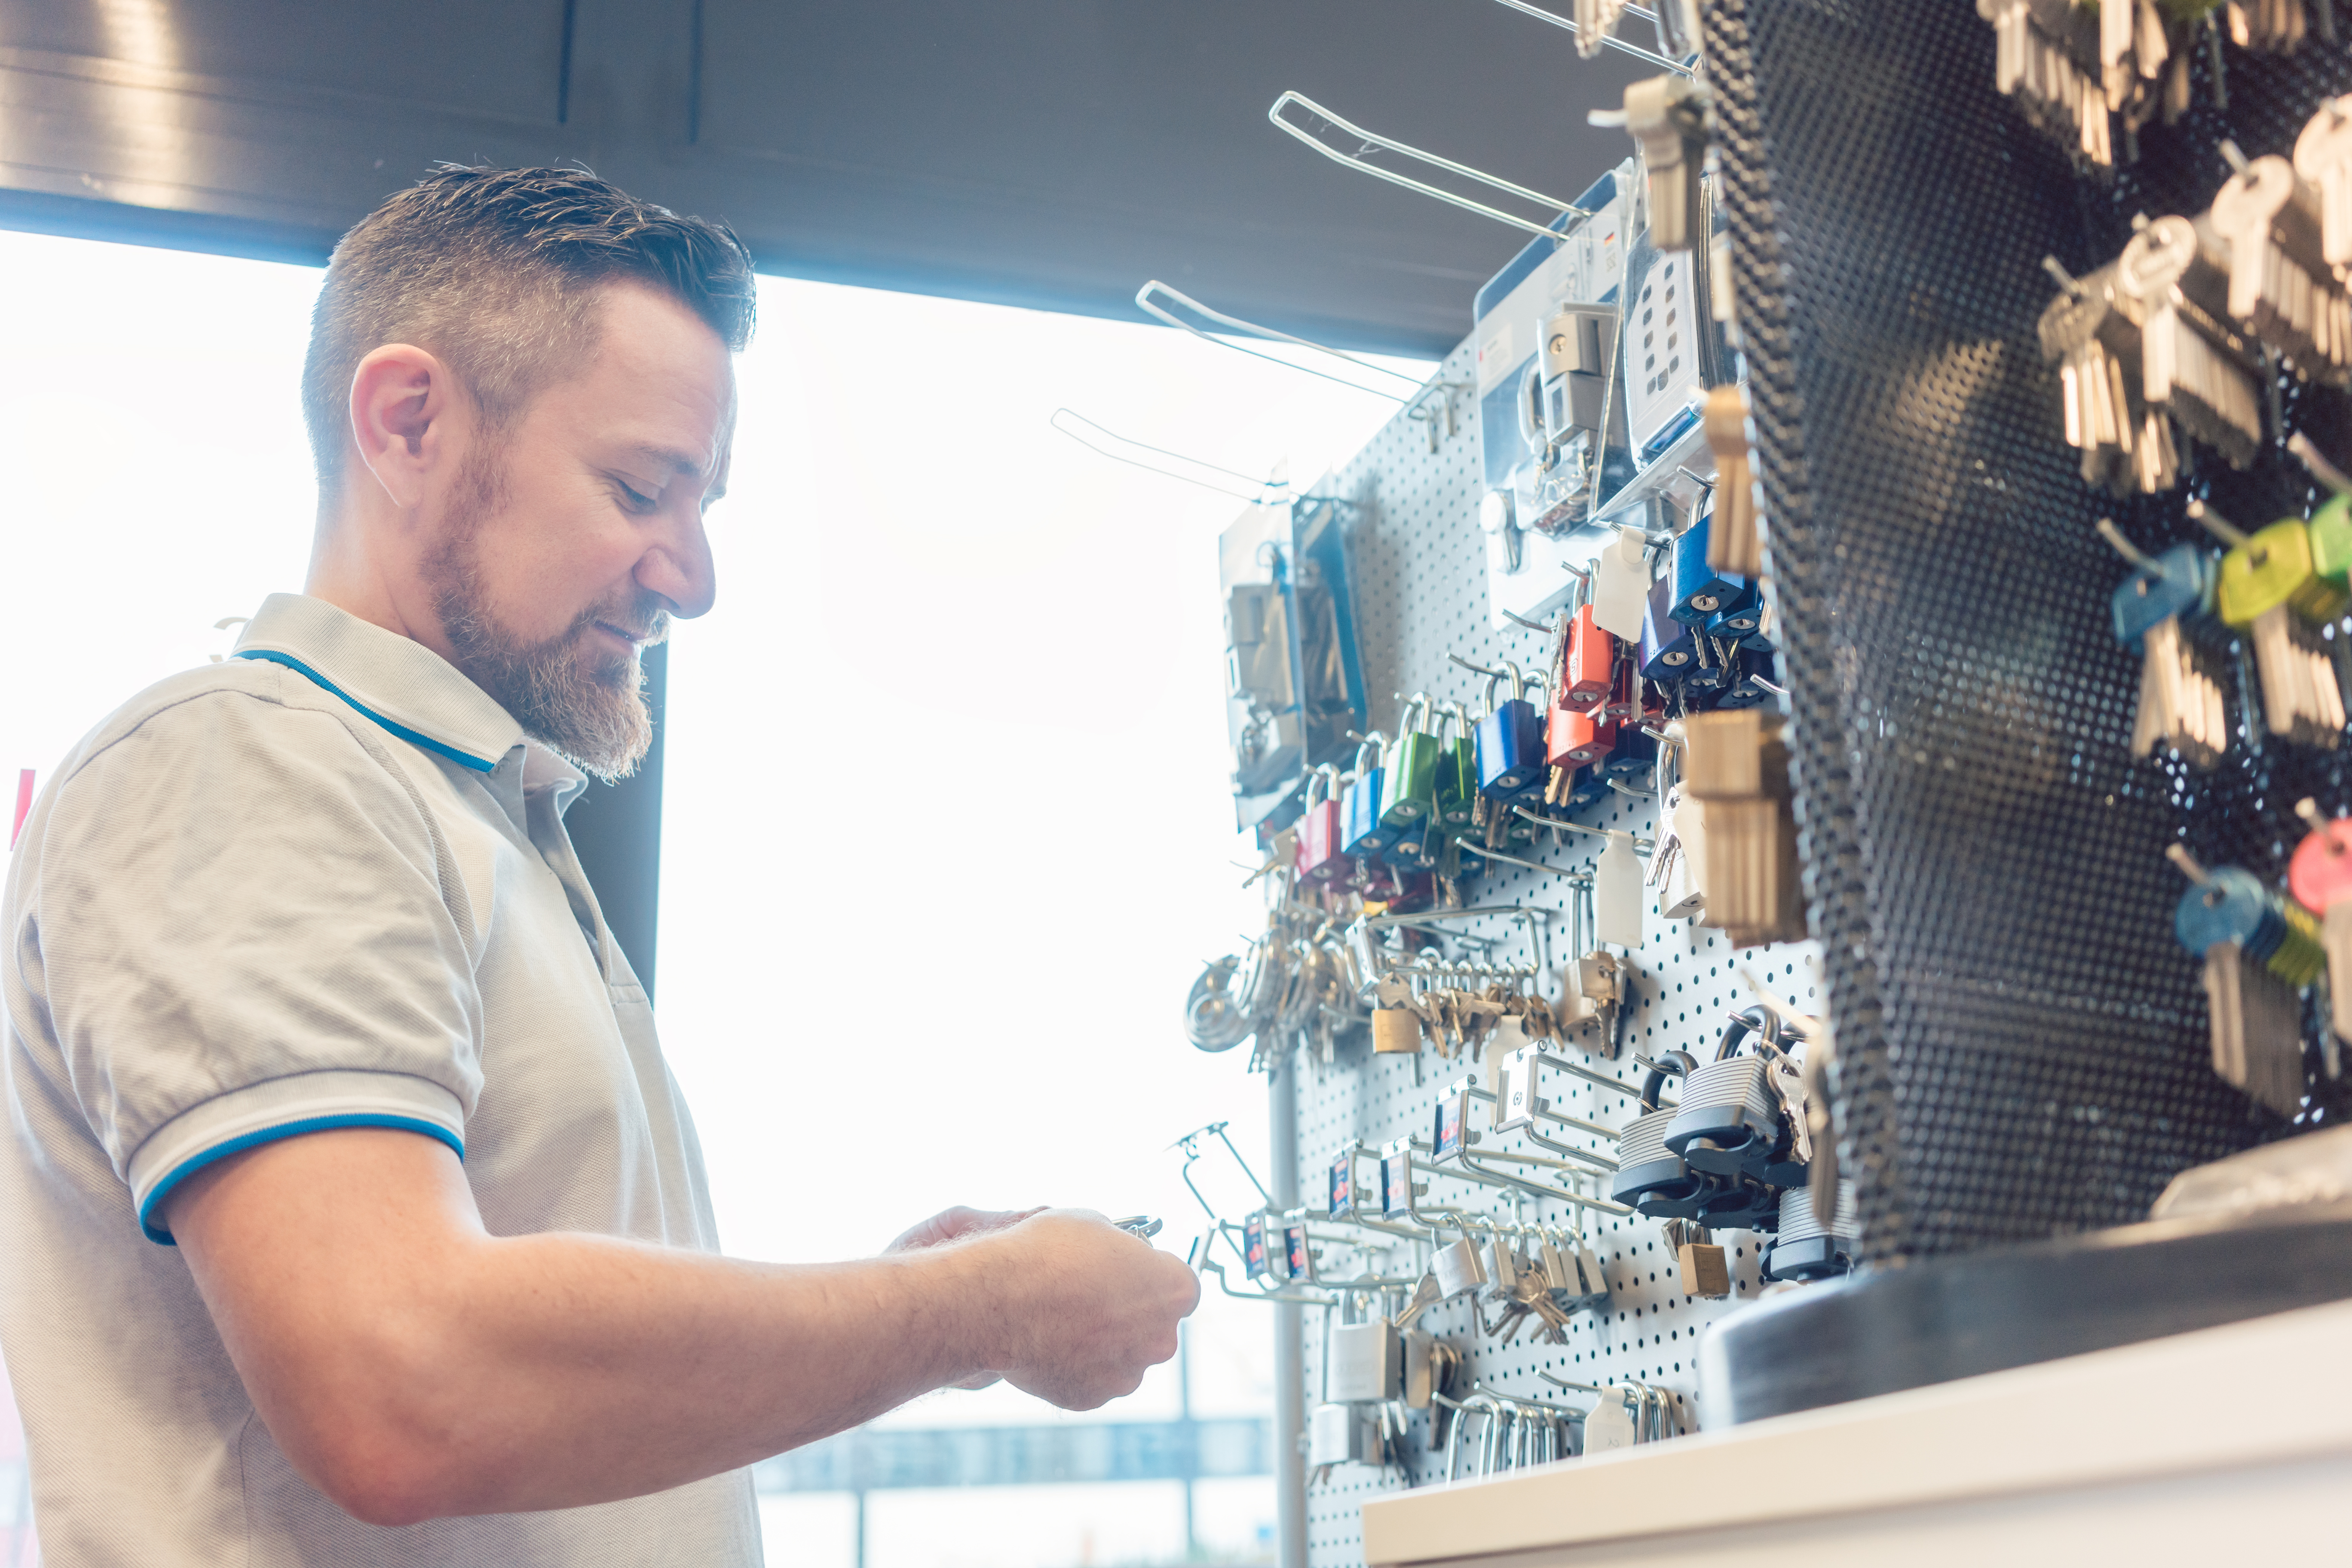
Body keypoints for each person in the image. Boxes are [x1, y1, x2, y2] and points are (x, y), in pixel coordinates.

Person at [0, 165, 1199, 1567]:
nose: (693, 578)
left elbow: (520, 1380)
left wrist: (899, 1300)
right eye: (642, 488)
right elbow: (402, 1384)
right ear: (408, 422)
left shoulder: (475, 820)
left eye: (708, 503)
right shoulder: (245, 766)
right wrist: (981, 1311)